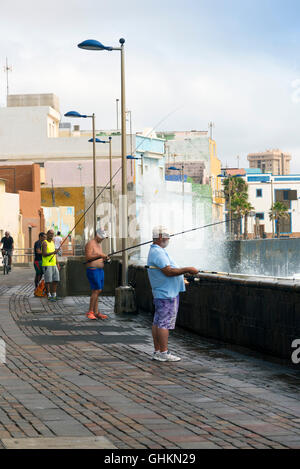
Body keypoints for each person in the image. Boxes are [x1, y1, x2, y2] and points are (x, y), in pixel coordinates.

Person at [147, 226, 199, 362]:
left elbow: (166, 271)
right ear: (160, 237)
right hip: (167, 294)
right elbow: (168, 271)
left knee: (158, 322)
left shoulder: (156, 251)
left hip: (162, 292)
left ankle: (158, 351)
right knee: (164, 323)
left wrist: (181, 278)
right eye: (167, 237)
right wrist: (188, 269)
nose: (168, 239)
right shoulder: (158, 253)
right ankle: (164, 353)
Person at [85, 229, 109, 320]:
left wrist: (104, 259)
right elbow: (88, 257)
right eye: (102, 237)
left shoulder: (99, 245)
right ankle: (90, 311)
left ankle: (96, 312)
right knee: (96, 290)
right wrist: (100, 255)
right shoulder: (90, 244)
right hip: (93, 270)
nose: (102, 239)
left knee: (98, 291)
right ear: (97, 235)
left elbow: (99, 257)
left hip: (100, 270)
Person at [42, 229, 60, 301]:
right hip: (47, 264)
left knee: (56, 279)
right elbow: (44, 254)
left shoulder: (53, 242)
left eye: (53, 234)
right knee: (48, 281)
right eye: (50, 233)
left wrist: (57, 263)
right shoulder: (44, 243)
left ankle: (54, 295)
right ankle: (48, 295)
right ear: (47, 234)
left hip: (53, 264)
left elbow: (55, 255)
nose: (51, 235)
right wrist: (53, 252)